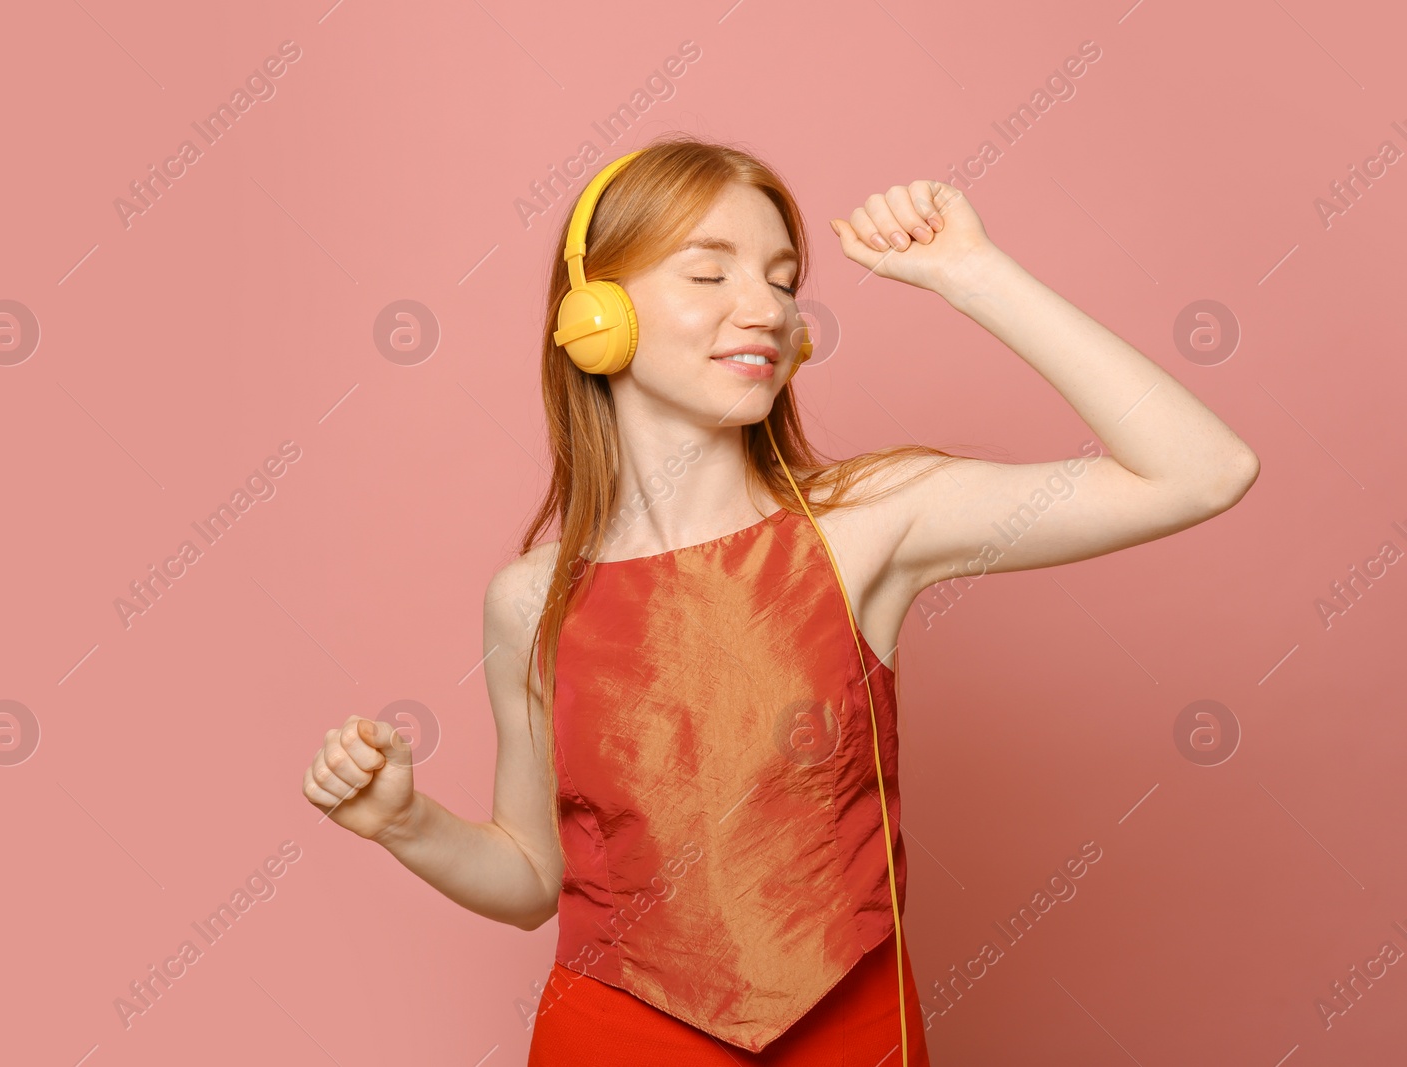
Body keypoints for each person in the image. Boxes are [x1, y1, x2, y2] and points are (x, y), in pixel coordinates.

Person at [300, 136, 1259, 1065]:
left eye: (784, 279)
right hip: (612, 1038)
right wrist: (404, 820)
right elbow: (532, 880)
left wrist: (973, 272)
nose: (762, 306)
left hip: (853, 1031)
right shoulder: (529, 602)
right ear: (598, 315)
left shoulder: (875, 521)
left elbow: (1203, 471)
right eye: (709, 274)